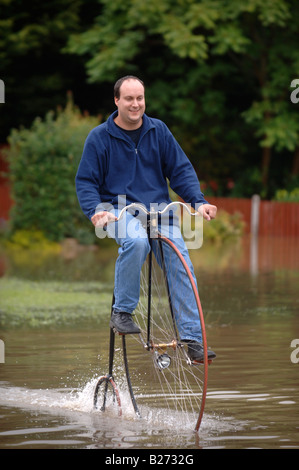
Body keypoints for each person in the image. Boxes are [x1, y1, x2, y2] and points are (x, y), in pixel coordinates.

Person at [75, 75, 217, 361]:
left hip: (159, 210)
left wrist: (197, 202)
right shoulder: (99, 137)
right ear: (117, 101)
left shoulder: (158, 131)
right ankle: (122, 311)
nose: (135, 104)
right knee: (137, 242)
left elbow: (180, 170)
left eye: (139, 98)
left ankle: (192, 339)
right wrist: (95, 210)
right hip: (120, 211)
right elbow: (86, 181)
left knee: (181, 263)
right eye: (129, 98)